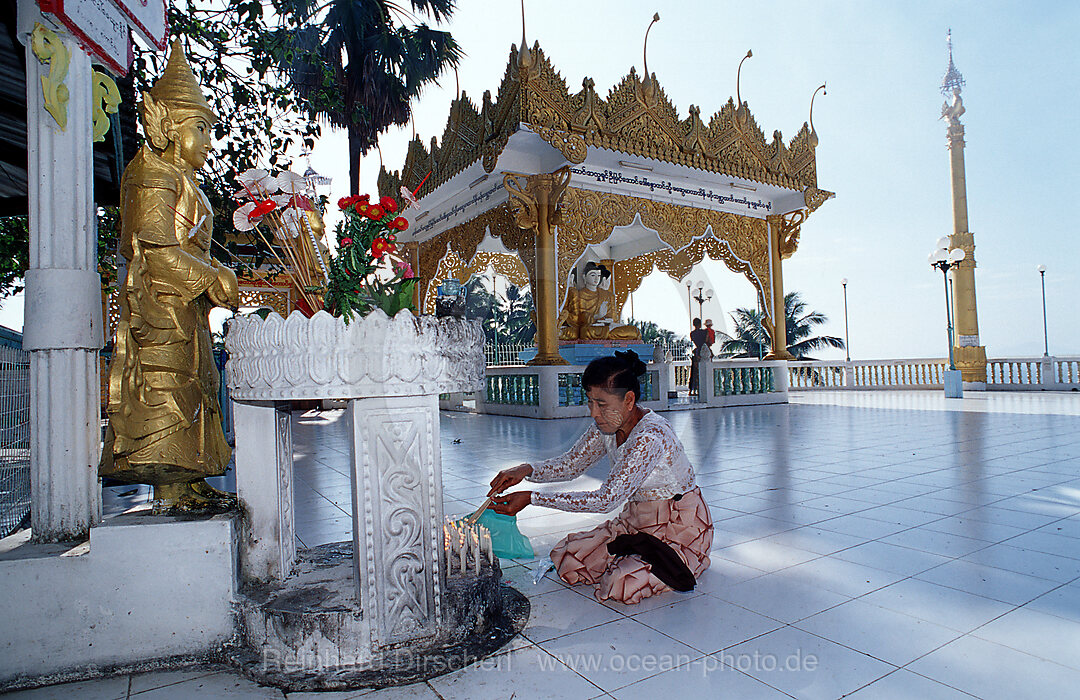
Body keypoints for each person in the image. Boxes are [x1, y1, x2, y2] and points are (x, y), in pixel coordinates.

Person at [100, 40, 238, 511]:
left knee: (201, 384)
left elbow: (192, 246)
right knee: (168, 391)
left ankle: (192, 477)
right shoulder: (152, 173)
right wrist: (211, 278)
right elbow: (156, 250)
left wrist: (214, 273)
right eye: (201, 128)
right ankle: (170, 485)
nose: (208, 140)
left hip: (188, 311)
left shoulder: (186, 183)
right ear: (172, 129)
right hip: (162, 307)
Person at [488, 351, 713, 604]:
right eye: (590, 402)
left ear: (629, 400)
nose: (594, 413)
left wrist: (531, 498)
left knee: (620, 584)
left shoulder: (650, 437)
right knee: (567, 558)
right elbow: (571, 464)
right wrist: (525, 470)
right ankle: (629, 554)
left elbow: (606, 500)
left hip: (677, 528)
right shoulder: (608, 427)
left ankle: (673, 560)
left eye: (602, 404)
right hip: (637, 521)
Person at [558, 261, 641, 340]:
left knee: (635, 331)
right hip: (591, 329)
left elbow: (614, 319)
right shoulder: (579, 294)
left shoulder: (607, 295)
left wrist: (607, 320)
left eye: (598, 275)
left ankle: (610, 334)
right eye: (593, 275)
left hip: (606, 327)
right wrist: (596, 316)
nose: (596, 278)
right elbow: (577, 319)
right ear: (584, 277)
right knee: (584, 332)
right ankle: (609, 335)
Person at [688, 318, 707, 395]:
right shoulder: (703, 332)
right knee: (700, 371)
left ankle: (692, 389)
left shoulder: (692, 333)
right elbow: (706, 341)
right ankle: (699, 388)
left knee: (694, 372)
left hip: (696, 353)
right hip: (701, 351)